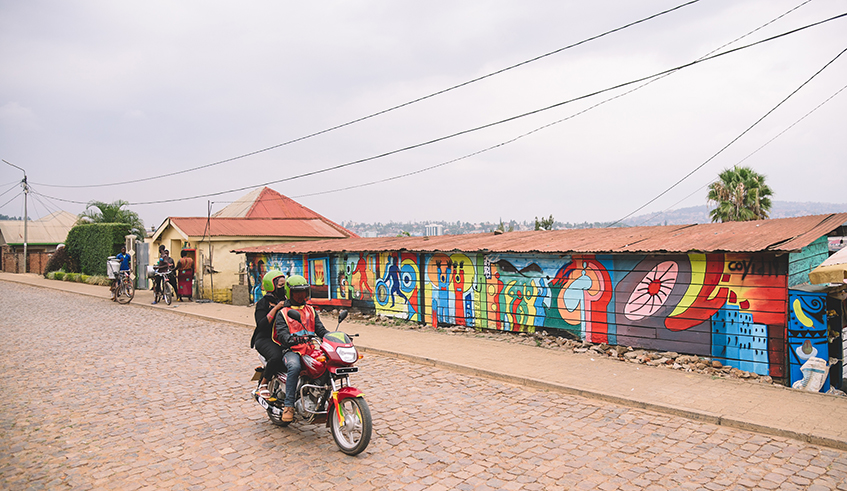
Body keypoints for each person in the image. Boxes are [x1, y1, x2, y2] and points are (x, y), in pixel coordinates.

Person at [265, 275, 328, 423]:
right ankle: (289, 406)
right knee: (294, 366)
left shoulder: (311, 310)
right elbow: (281, 335)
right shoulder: (284, 313)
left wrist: (333, 337)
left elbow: (320, 329)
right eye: (297, 293)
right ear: (290, 292)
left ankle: (321, 397)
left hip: (310, 349)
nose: (301, 296)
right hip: (291, 350)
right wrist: (291, 339)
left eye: (304, 292)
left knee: (326, 363)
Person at [251, 270, 287, 400]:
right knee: (277, 356)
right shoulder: (263, 303)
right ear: (271, 286)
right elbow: (262, 324)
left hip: (282, 338)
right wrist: (276, 308)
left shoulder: (287, 301)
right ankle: (263, 384)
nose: (283, 288)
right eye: (280, 285)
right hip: (265, 339)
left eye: (285, 285)